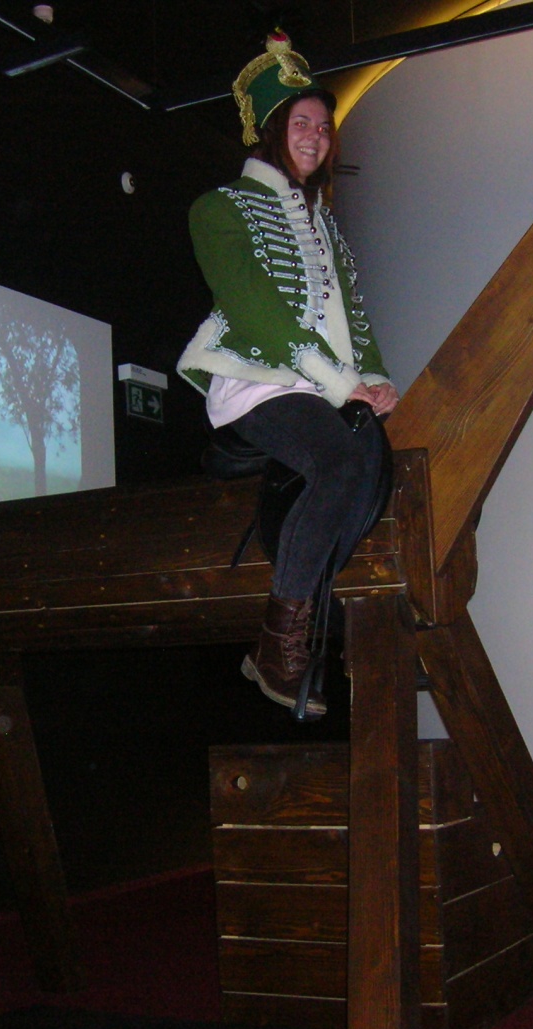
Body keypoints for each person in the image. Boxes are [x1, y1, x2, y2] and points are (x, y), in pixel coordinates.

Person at [177, 30, 399, 718]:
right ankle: (277, 646)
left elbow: (351, 313)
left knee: (372, 463)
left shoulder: (325, 226)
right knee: (339, 460)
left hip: (324, 385)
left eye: (324, 128)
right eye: (302, 123)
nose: (316, 137)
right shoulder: (218, 208)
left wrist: (375, 374)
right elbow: (257, 311)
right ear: (272, 130)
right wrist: (338, 383)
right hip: (257, 380)